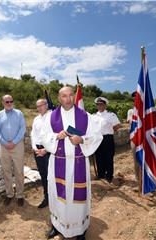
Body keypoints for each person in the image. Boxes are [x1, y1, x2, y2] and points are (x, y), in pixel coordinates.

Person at [42, 86, 103, 240]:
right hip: (58, 164)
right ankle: (57, 226)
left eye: (70, 95)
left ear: (74, 96)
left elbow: (97, 136)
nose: (68, 99)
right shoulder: (51, 117)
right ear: (58, 98)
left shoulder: (86, 116)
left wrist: (81, 139)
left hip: (78, 164)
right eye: (64, 96)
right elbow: (44, 137)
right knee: (58, 197)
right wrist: (56, 136)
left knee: (78, 199)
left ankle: (80, 229)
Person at [0, 95, 26, 207]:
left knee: (19, 171)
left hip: (17, 146)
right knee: (6, 171)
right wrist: (4, 142)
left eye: (11, 101)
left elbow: (23, 129)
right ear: (2, 102)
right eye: (6, 101)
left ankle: (20, 195)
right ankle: (9, 194)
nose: (9, 103)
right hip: (4, 147)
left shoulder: (19, 113)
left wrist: (14, 142)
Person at [129, 92, 156, 185]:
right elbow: (131, 126)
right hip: (136, 140)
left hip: (150, 139)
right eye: (135, 98)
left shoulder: (154, 109)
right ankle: (139, 182)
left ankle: (151, 180)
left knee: (151, 159)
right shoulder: (131, 111)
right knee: (137, 160)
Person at [93, 97, 121, 183]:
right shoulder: (93, 116)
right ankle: (100, 174)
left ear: (105, 105)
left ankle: (109, 175)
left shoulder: (111, 115)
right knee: (99, 157)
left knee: (108, 157)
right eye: (98, 104)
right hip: (97, 138)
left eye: (101, 104)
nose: (99, 106)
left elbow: (117, 125)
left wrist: (111, 130)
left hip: (107, 138)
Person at [30, 99, 51, 208]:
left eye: (42, 105)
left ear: (46, 105)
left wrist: (46, 149)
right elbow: (33, 134)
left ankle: (54, 198)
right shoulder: (36, 119)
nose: (39, 108)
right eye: (37, 106)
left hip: (48, 150)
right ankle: (46, 197)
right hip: (37, 150)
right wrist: (34, 147)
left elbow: (55, 135)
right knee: (43, 174)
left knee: (51, 175)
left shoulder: (52, 116)